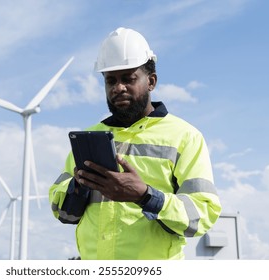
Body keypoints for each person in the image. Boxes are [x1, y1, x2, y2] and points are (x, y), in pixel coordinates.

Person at [49, 27, 222, 260]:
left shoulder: (185, 137)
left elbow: (201, 215)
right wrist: (78, 188)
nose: (118, 88)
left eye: (128, 79)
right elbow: (63, 213)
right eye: (110, 80)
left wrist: (145, 196)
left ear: (151, 81)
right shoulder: (88, 138)